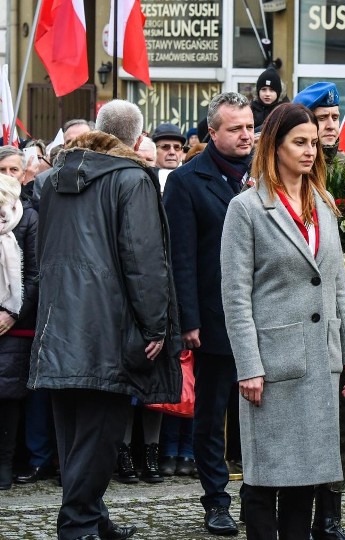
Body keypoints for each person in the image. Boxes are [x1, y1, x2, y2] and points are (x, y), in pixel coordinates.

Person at [29, 99, 181, 540]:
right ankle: (78, 526)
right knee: (98, 440)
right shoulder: (132, 178)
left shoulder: (52, 179)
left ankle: (92, 518)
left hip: (59, 322)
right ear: (138, 140)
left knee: (75, 434)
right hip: (107, 328)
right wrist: (156, 325)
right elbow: (144, 260)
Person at [221, 103, 345, 540]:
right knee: (265, 476)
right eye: (298, 142)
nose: (309, 151)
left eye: (312, 142)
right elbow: (235, 296)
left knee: (309, 475)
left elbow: (337, 285)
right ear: (274, 147)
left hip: (322, 358)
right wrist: (249, 365)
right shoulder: (246, 208)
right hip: (273, 361)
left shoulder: (322, 202)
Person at [164, 92, 255, 536]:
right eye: (235, 128)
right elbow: (180, 256)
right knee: (212, 415)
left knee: (264, 413)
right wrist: (189, 321)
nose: (245, 135)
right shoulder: (186, 181)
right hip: (215, 318)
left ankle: (260, 496)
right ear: (212, 132)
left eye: (249, 126)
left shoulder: (266, 172)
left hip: (266, 315)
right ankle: (216, 500)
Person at [292, 81, 345, 539]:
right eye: (321, 120)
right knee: (300, 430)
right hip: (298, 326)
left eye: (334, 119)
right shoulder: (286, 180)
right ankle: (287, 510)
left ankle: (330, 514)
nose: (330, 128)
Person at [0, 173, 38, 490]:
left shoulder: (28, 221)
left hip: (15, 324)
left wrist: (12, 313)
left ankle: (5, 464)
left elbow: (35, 275)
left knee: (10, 397)